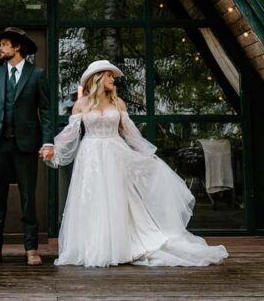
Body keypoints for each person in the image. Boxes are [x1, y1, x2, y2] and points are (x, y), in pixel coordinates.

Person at [45, 60, 229, 268]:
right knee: (93, 198)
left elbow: (131, 134)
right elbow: (70, 135)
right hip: (91, 157)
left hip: (115, 154)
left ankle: (123, 245)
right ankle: (95, 247)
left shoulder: (118, 103)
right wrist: (54, 149)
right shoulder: (81, 104)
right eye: (109, 76)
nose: (113, 80)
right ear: (97, 79)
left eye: (113, 76)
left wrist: (147, 153)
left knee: (118, 199)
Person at [0, 27, 54, 266]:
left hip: (27, 145)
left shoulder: (37, 74)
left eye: (4, 44)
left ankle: (31, 249)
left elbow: (47, 111)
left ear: (17, 46)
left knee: (28, 198)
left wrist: (48, 141)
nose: (0, 48)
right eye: (0, 45)